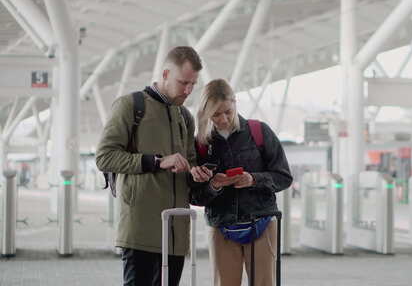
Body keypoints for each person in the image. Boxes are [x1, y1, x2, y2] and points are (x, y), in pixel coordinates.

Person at [96, 46, 213, 286]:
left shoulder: (185, 116)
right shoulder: (131, 105)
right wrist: (156, 161)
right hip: (141, 231)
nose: (188, 90)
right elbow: (104, 156)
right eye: (183, 83)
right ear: (166, 74)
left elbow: (189, 161)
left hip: (176, 233)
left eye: (193, 84)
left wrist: (196, 173)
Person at [190, 79, 293, 286]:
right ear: (206, 113)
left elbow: (284, 176)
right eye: (216, 115)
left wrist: (253, 179)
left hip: (261, 223)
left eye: (228, 111)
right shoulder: (201, 145)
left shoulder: (259, 132)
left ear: (235, 102)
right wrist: (214, 186)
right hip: (221, 227)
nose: (224, 119)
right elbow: (194, 196)